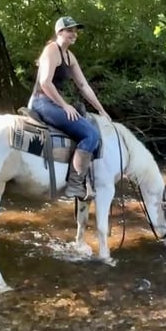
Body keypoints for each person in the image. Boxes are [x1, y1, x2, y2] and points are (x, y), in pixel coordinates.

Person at [27, 16, 111, 200]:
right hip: (42, 101)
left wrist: (101, 110)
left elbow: (83, 86)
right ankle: (74, 185)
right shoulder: (51, 50)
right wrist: (64, 105)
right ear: (59, 32)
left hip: (52, 102)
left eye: (75, 31)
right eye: (70, 30)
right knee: (91, 135)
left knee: (84, 121)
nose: (74, 34)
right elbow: (45, 82)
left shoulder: (69, 56)